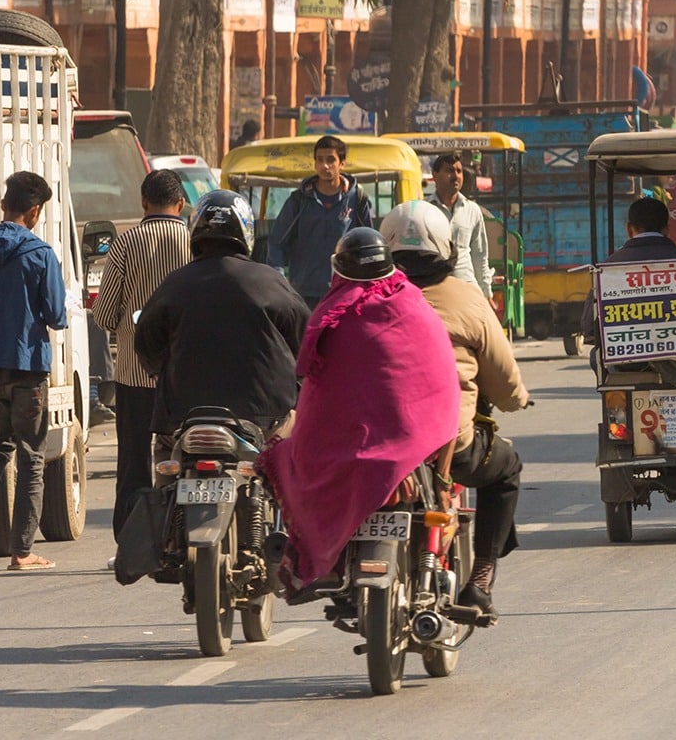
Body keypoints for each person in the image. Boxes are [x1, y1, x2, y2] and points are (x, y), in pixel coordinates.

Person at [258, 228, 461, 596]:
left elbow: (316, 399)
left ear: (338, 270)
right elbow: (443, 386)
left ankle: (328, 559)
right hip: (413, 450)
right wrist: (444, 478)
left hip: (348, 457)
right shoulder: (413, 305)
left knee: (288, 454)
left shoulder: (329, 316)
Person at [380, 202, 532, 619]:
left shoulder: (367, 296)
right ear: (445, 250)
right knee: (507, 469)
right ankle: (480, 579)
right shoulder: (466, 299)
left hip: (374, 440)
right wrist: (516, 400)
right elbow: (504, 383)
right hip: (450, 441)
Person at [136, 191, 310, 457]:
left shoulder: (175, 284)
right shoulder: (270, 282)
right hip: (265, 417)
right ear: (245, 232)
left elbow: (146, 340)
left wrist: (166, 370)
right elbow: (304, 340)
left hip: (182, 416)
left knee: (164, 461)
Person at [0, 172, 67, 570]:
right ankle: (21, 551)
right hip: (27, 370)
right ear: (35, 211)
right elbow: (57, 316)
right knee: (32, 456)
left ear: (3, 206)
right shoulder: (40, 254)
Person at [91, 169, 190, 544]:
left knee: (133, 461)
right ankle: (180, 533)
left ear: (143, 203)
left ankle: (133, 542)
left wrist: (130, 322)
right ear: (180, 203)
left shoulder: (126, 243)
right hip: (184, 376)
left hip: (134, 374)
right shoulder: (193, 242)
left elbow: (102, 315)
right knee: (186, 454)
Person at [267, 135, 374, 310]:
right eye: (320, 160)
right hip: (303, 295)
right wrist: (280, 283)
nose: (325, 166)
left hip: (344, 294)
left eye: (331, 160)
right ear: (315, 163)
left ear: (342, 163)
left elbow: (368, 245)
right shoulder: (299, 200)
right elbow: (277, 243)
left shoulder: (357, 199)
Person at [581, 197, 676, 344]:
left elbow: (589, 328)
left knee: (595, 357)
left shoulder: (607, 269)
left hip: (626, 360)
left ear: (629, 229)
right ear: (666, 230)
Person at [429, 151, 494, 301]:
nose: (456, 175)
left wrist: (487, 295)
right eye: (449, 171)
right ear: (435, 175)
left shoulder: (472, 210)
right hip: (436, 289)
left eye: (459, 171)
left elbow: (480, 257)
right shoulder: (425, 209)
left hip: (467, 288)